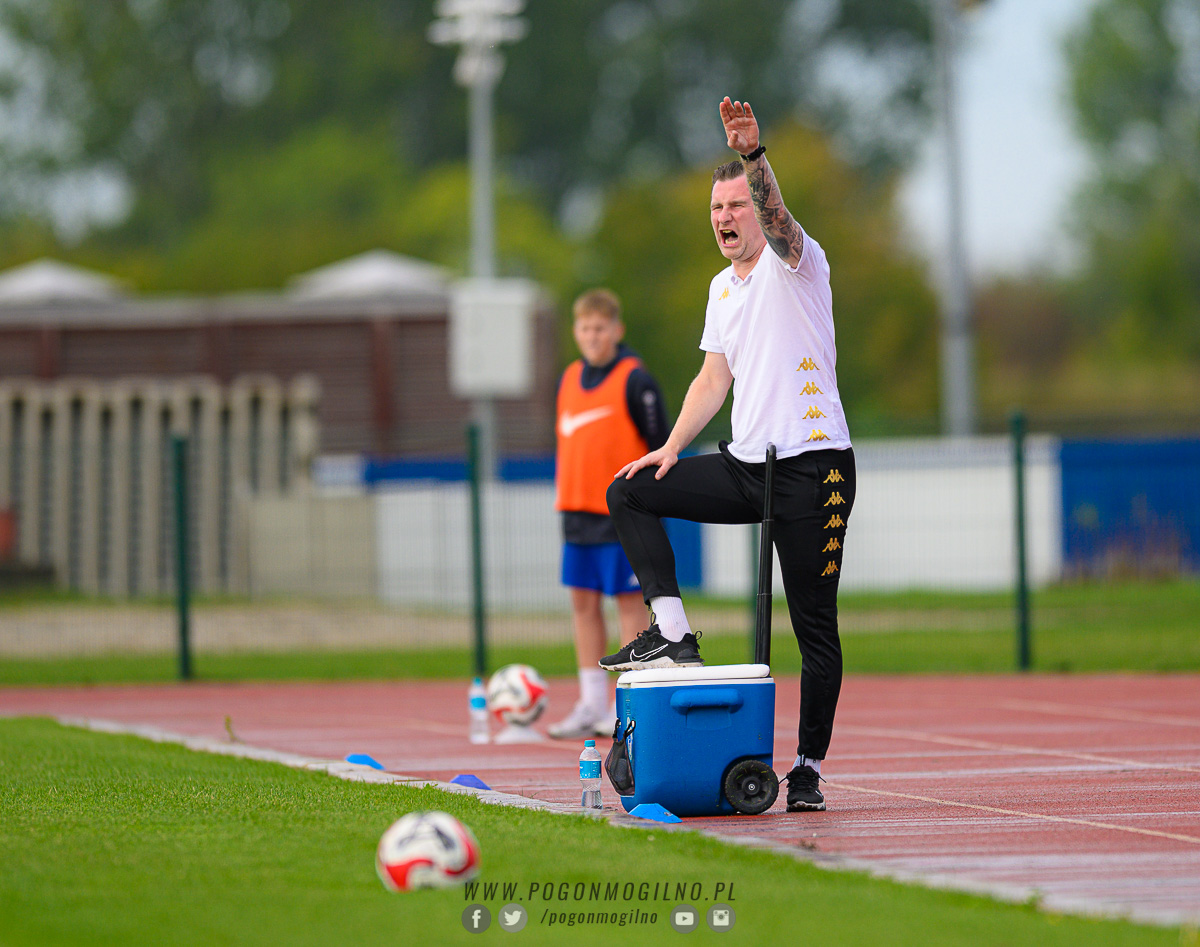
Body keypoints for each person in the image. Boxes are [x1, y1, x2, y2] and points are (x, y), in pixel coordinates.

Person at [600, 98, 856, 812]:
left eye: (736, 204)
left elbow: (779, 220)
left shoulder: (795, 261)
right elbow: (714, 378)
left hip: (814, 468)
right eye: (716, 208)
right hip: (749, 467)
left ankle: (805, 767)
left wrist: (754, 157)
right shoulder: (721, 288)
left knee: (813, 623)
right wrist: (669, 448)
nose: (725, 217)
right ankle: (673, 634)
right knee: (631, 489)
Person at [548, 288, 669, 739]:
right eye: (585, 328)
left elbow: (660, 446)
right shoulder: (568, 378)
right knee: (583, 605)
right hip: (576, 511)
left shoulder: (635, 380)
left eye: (600, 328)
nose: (592, 336)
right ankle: (590, 704)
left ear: (617, 330)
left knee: (628, 606)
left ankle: (627, 707)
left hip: (621, 514)